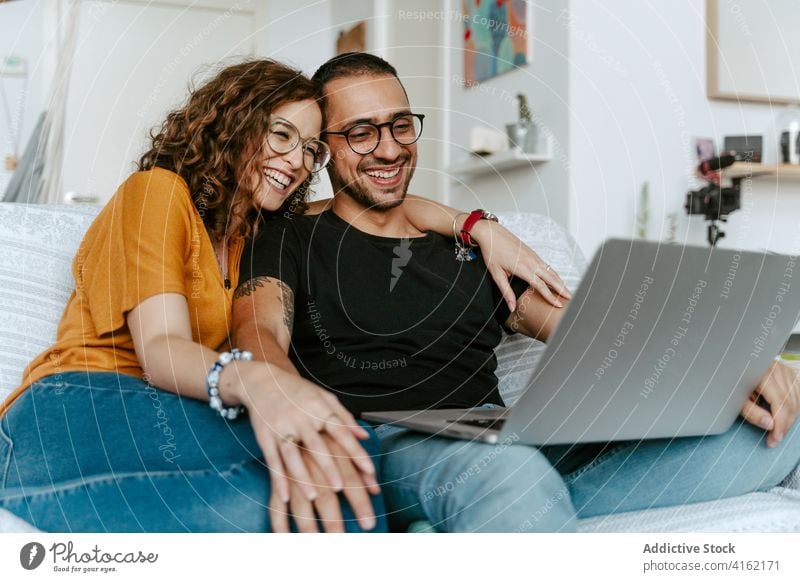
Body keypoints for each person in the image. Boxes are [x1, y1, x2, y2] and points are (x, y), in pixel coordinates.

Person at [233, 52, 800, 532]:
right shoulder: (289, 235)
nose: (388, 149)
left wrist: (737, 364)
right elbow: (258, 331)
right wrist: (284, 402)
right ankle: (507, 508)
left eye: (401, 125)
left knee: (785, 421)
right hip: (395, 439)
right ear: (324, 148)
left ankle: (507, 519)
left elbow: (597, 333)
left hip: (509, 435)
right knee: (510, 475)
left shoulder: (480, 248)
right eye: (361, 132)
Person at [0, 58, 564, 533]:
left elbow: (371, 209)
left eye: (310, 148)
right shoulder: (157, 194)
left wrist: (475, 224)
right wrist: (259, 383)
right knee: (346, 457)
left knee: (339, 487)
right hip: (81, 402)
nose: (296, 161)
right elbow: (163, 347)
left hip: (177, 414)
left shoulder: (253, 232)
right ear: (234, 124)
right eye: (281, 135)